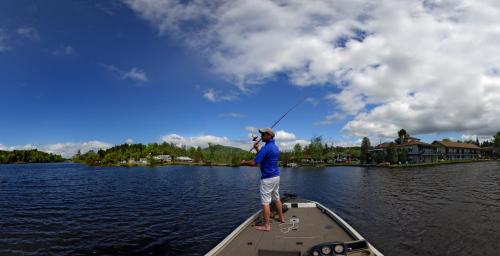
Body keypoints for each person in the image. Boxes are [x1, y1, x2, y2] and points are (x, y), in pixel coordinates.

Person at [241, 128, 285, 231]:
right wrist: (257, 149)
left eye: (263, 135)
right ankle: (282, 218)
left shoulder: (266, 148)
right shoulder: (274, 147)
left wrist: (243, 162)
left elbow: (254, 163)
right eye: (261, 134)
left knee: (265, 202)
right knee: (277, 198)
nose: (261, 136)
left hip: (267, 179)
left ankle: (267, 225)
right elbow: (264, 158)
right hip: (276, 177)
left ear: (269, 136)